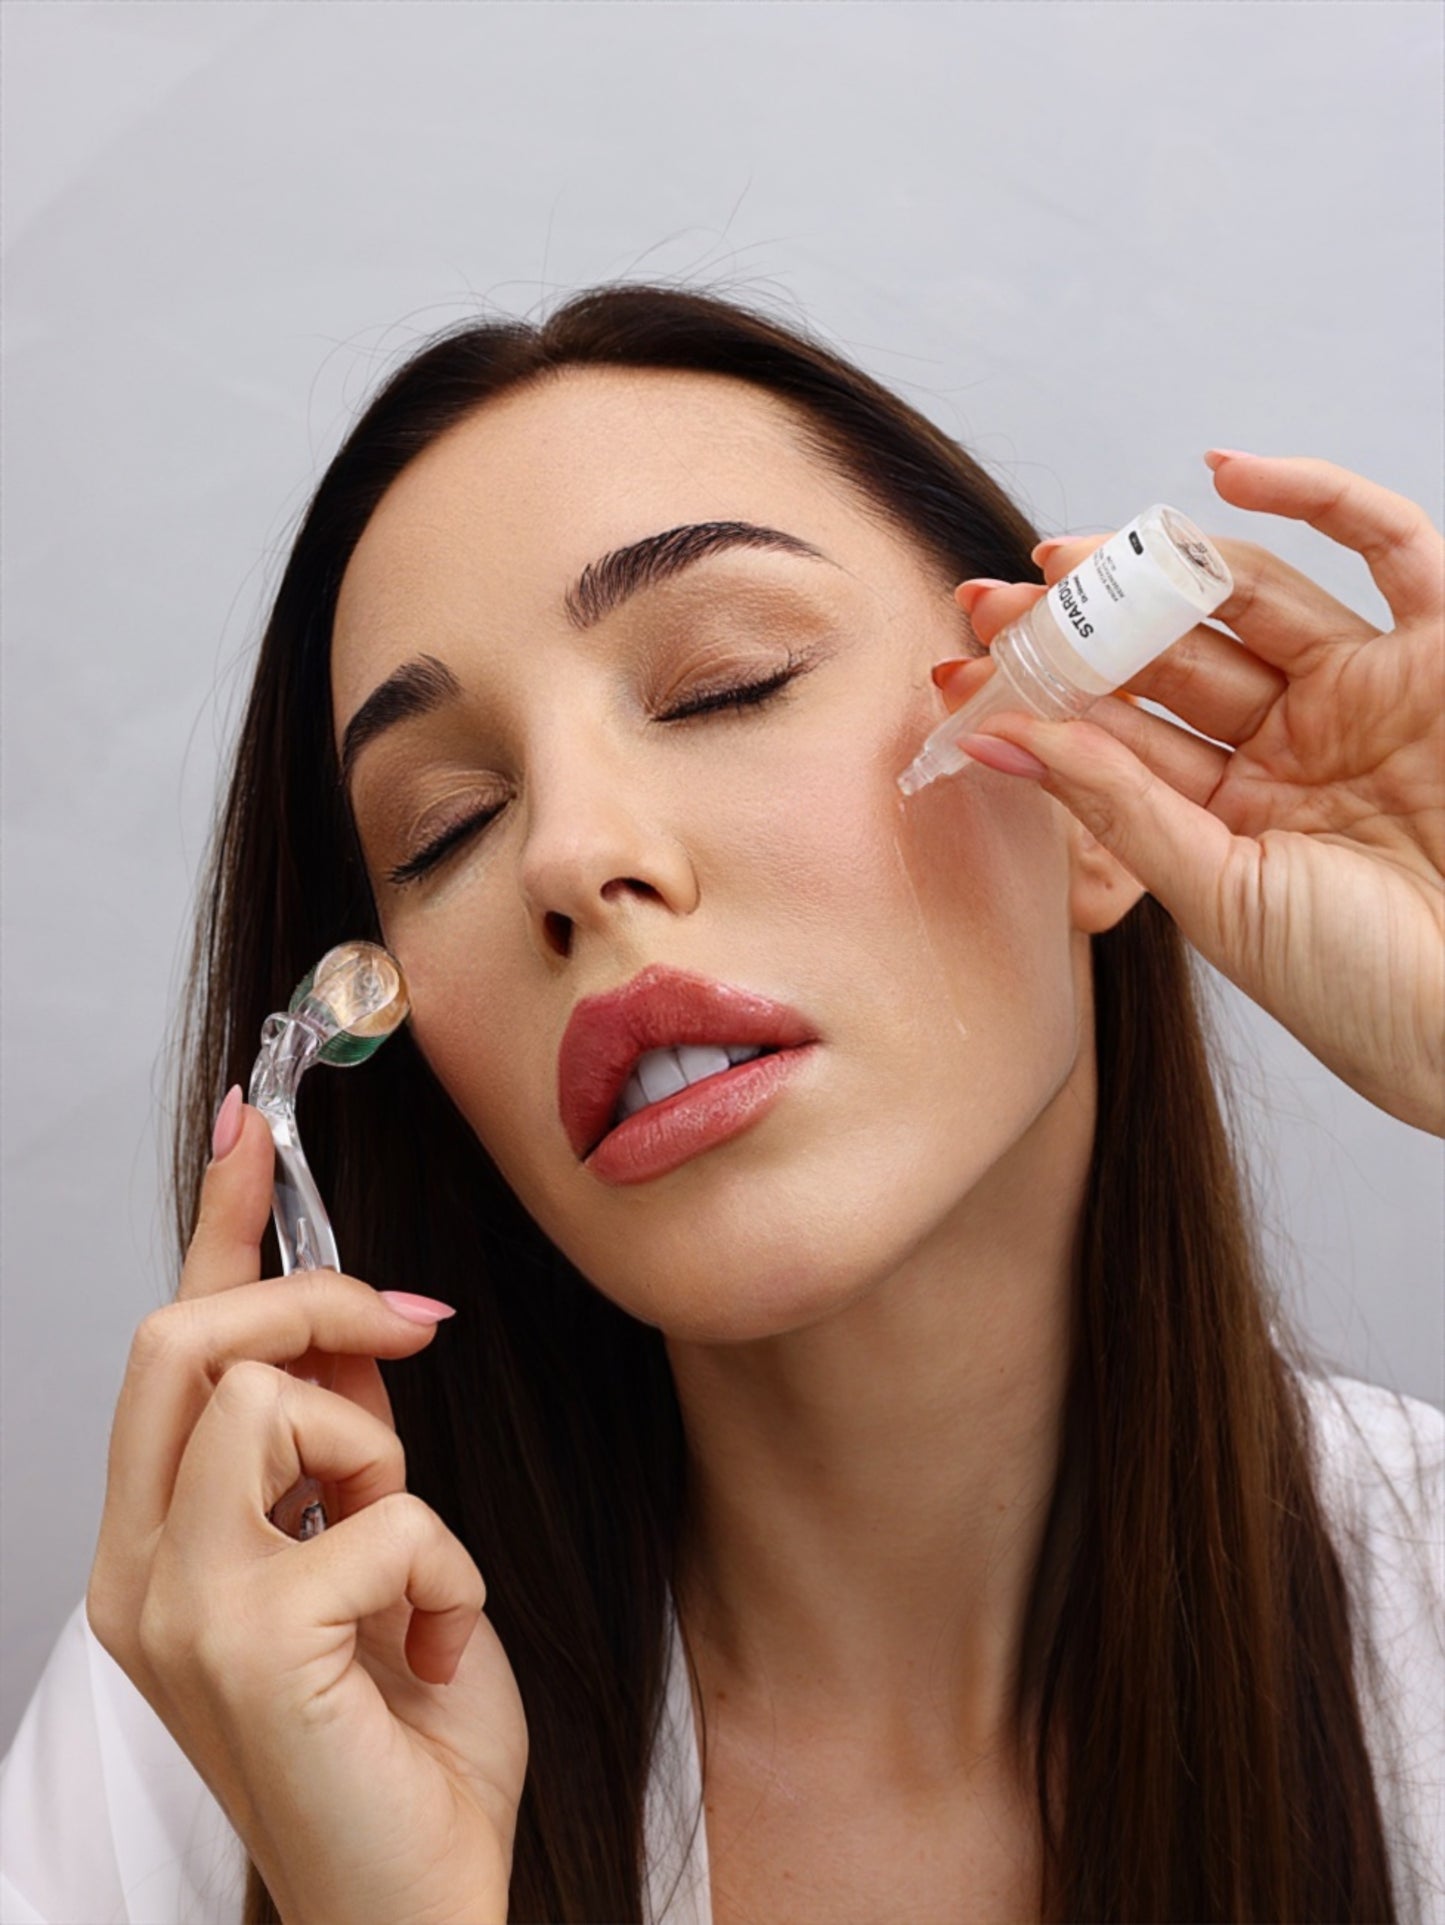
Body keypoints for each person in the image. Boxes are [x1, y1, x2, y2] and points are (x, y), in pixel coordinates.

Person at [1, 283, 1441, 1925]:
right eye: (445, 826)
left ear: (1090, 806)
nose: (565, 855)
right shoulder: (238, 1717)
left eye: (724, 685)